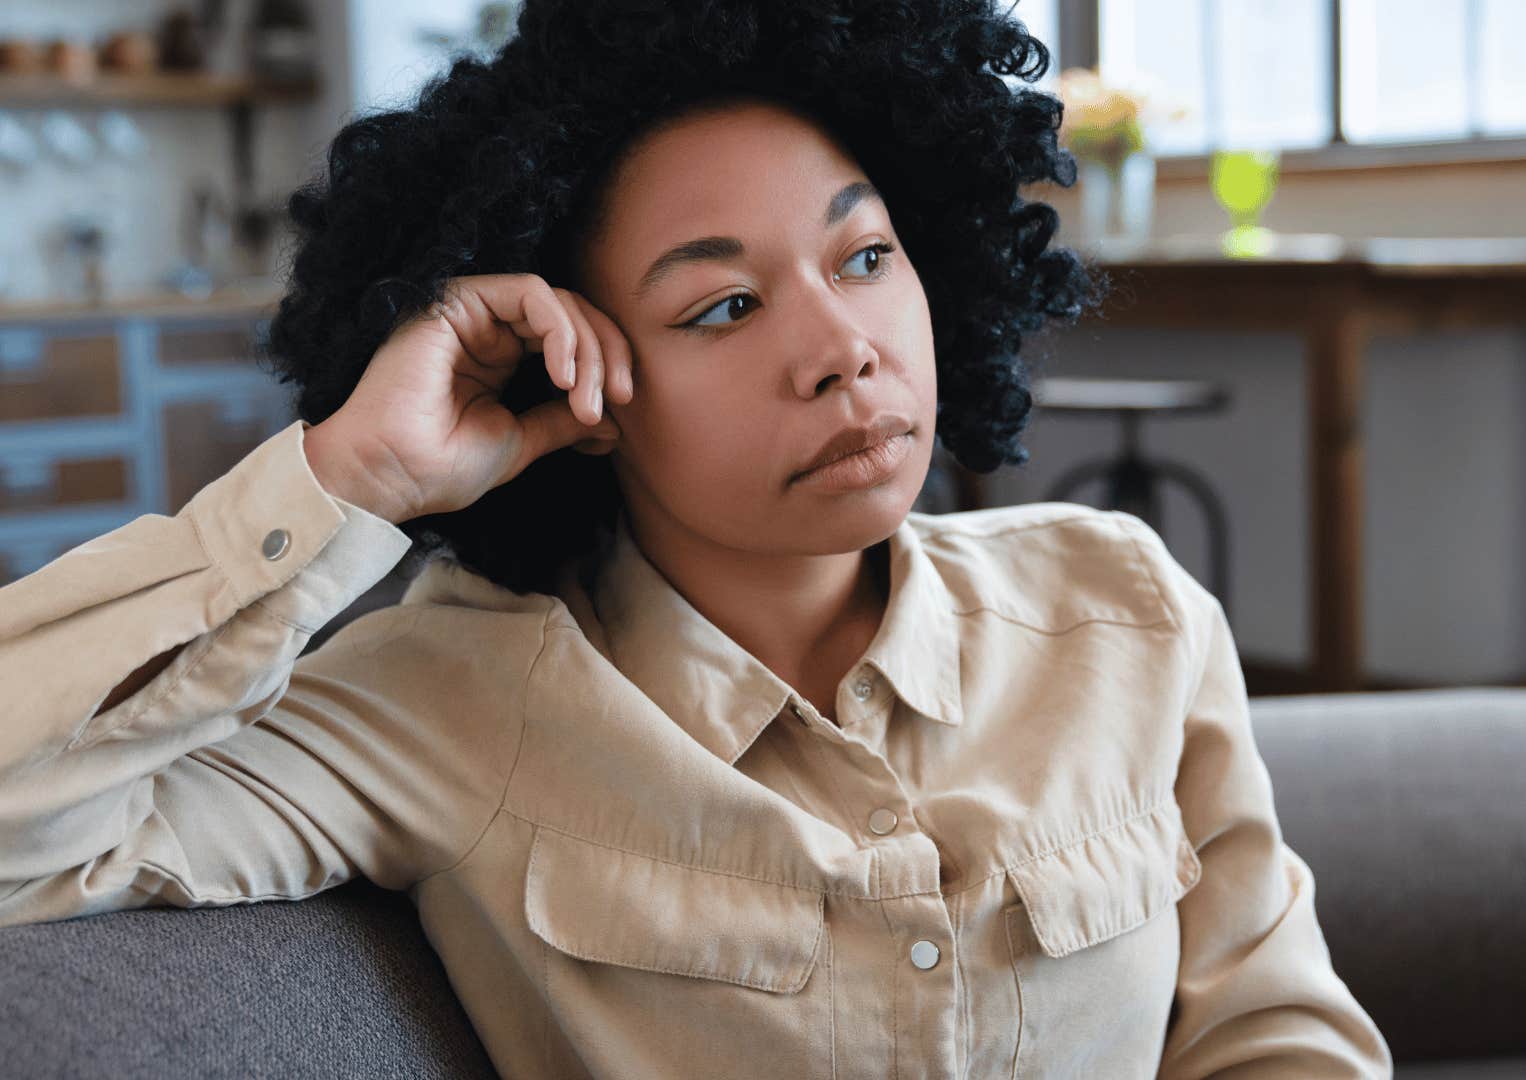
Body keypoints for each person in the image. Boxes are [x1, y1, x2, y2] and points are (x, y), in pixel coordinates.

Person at [0, 1, 1393, 1076]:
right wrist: (352, 475)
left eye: (864, 258)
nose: (843, 353)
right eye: (724, 308)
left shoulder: (1124, 609)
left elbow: (1277, 1037)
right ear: (580, 379)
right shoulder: (451, 702)